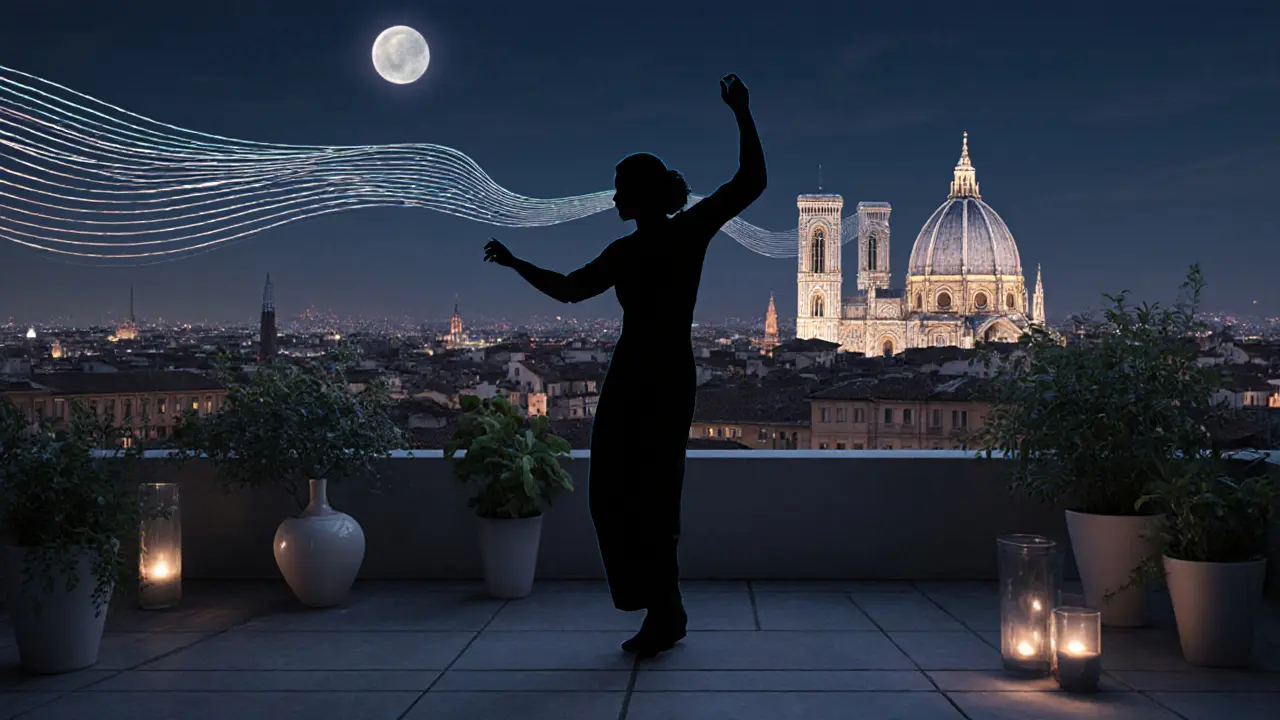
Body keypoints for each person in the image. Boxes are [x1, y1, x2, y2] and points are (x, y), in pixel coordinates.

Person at [483, 73, 766, 658]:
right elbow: (568, 289)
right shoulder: (666, 239)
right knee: (631, 495)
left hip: (648, 376)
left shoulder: (651, 244)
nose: (612, 199)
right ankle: (664, 606)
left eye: (618, 189)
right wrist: (515, 263)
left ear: (640, 193)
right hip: (650, 375)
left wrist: (742, 110)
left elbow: (567, 289)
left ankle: (664, 611)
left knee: (635, 497)